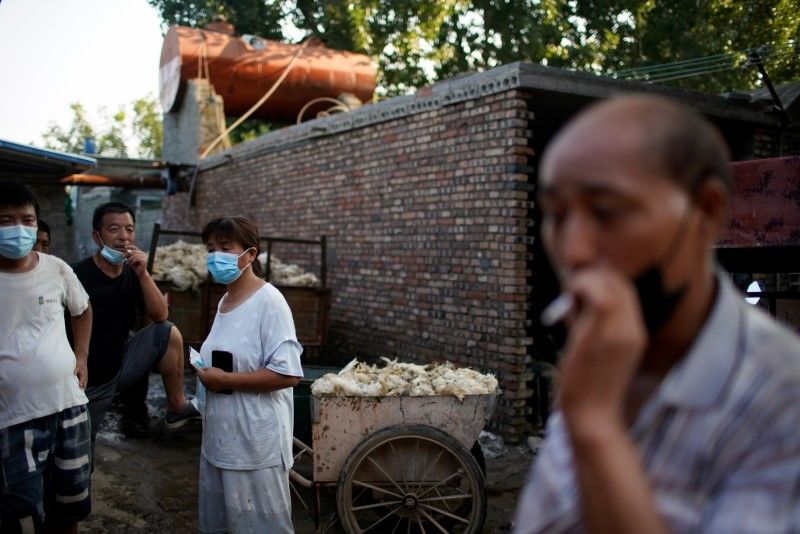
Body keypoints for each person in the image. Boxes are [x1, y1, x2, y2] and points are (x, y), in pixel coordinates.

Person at [514, 96, 800, 533]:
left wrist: (595, 427)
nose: (573, 250)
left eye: (607, 212)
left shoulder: (781, 397)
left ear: (706, 211)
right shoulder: (598, 347)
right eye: (556, 215)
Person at [197, 216, 303, 533]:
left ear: (251, 254)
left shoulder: (270, 302)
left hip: (255, 448)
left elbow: (288, 374)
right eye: (210, 248)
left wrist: (225, 381)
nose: (215, 255)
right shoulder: (225, 301)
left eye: (225, 248)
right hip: (220, 442)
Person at [0, 182, 93, 533]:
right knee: (20, 515)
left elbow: (82, 310)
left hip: (68, 408)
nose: (18, 229)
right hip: (11, 419)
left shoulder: (56, 270)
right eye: (6, 220)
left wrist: (81, 356)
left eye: (27, 220)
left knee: (69, 507)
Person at [71, 202, 199, 452]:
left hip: (116, 369)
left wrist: (143, 274)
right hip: (81, 378)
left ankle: (177, 406)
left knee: (167, 331)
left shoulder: (132, 273)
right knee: (79, 457)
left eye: (129, 229)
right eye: (114, 229)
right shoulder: (76, 274)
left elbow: (160, 314)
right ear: (97, 236)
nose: (123, 237)